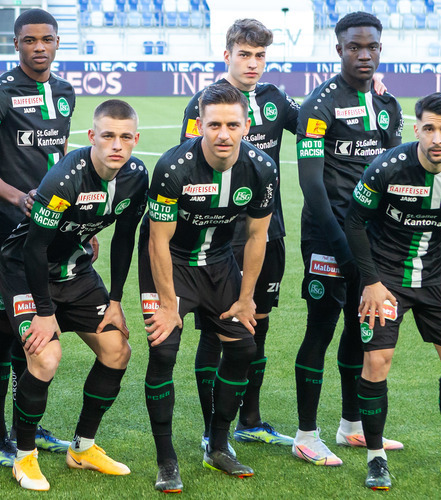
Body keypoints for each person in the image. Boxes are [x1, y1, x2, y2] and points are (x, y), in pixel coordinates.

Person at [344, 92, 441, 490]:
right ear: (417, 130)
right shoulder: (387, 168)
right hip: (386, 278)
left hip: (439, 278)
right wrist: (372, 282)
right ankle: (376, 459)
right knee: (378, 362)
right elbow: (355, 221)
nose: (437, 139)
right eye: (429, 128)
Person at [4, 99, 148, 491]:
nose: (116, 145)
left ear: (135, 139)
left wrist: (115, 300)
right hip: (24, 272)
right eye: (107, 136)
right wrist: (45, 312)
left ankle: (82, 448)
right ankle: (25, 456)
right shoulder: (64, 177)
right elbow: (33, 249)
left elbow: (124, 238)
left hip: (76, 271)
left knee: (118, 350)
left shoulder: (136, 176)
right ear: (92, 137)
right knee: (47, 356)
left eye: (124, 137)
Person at [143, 83, 276, 491]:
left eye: (232, 125)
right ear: (199, 125)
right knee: (164, 349)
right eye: (214, 124)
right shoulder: (172, 167)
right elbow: (157, 241)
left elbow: (257, 237)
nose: (223, 134)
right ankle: (167, 461)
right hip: (170, 263)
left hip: (219, 263)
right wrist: (168, 305)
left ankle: (218, 444)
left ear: (246, 126)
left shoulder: (261, 168)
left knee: (244, 349)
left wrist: (246, 297)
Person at [179, 18, 299, 449]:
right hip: (222, 238)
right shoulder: (206, 105)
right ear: (226, 54)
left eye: (260, 55)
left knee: (257, 326)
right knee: (219, 330)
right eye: (244, 54)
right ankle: (214, 430)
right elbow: (189, 170)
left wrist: (365, 86)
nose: (252, 63)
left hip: (268, 231)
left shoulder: (273, 98)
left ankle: (251, 419)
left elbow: (316, 125)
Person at [292, 11, 404, 466]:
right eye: (354, 47)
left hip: (372, 239)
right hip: (328, 237)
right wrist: (340, 244)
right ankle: (305, 434)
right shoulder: (319, 105)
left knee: (363, 330)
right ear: (338, 49)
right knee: (320, 329)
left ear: (380, 49)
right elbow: (312, 184)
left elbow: (393, 172)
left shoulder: (388, 104)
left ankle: (351, 426)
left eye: (371, 47)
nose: (364, 54)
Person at [0, 8, 76, 467]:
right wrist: (19, 199)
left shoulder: (66, 92)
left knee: (31, 326)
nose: (39, 47)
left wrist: (74, 221)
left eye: (47, 39)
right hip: (6, 229)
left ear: (57, 43)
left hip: (52, 228)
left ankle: (24, 426)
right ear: (15, 44)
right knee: (3, 324)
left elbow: (64, 160)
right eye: (30, 40)